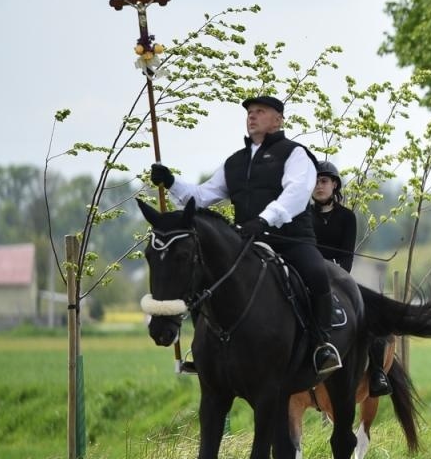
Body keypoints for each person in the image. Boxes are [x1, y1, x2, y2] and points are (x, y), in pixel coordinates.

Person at [148, 94, 341, 381]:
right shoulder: (235, 162)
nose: (252, 116)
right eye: (249, 112)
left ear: (278, 119)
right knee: (204, 280)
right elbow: (201, 196)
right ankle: (201, 349)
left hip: (290, 240)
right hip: (244, 245)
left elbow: (296, 194)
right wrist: (172, 181)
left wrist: (265, 219)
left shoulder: (295, 154)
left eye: (260, 112)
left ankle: (322, 345)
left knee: (316, 273)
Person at [312, 161, 389, 397]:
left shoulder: (347, 217)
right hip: (310, 276)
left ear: (334, 185)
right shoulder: (303, 216)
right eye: (315, 181)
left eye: (324, 181)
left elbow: (346, 259)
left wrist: (333, 272)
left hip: (339, 277)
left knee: (374, 318)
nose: (319, 186)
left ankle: (377, 373)